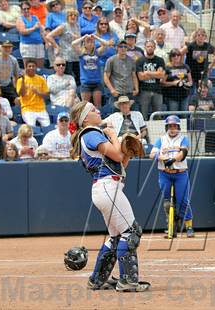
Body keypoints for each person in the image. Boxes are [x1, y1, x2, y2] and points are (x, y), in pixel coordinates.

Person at [69, 101, 150, 292]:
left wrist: (127, 152)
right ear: (85, 118)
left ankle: (97, 279)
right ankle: (127, 281)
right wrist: (114, 135)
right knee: (131, 232)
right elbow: (116, 154)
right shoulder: (90, 133)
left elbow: (120, 163)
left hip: (107, 187)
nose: (98, 111)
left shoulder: (93, 134)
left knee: (116, 237)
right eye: (93, 110)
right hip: (107, 188)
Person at [149, 115, 194, 238]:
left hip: (180, 173)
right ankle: (171, 226)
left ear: (178, 127)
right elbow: (152, 154)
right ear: (166, 127)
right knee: (167, 202)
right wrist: (162, 158)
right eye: (170, 126)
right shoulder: (161, 139)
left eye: (175, 126)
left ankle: (189, 226)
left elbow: (183, 153)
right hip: (165, 174)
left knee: (183, 201)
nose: (172, 129)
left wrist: (172, 160)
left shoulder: (183, 139)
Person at [72, 34, 110, 108]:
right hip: (86, 83)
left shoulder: (97, 52)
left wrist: (95, 37)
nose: (90, 43)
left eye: (92, 42)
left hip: (97, 83)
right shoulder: (81, 53)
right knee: (85, 107)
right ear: (84, 44)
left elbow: (106, 44)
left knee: (98, 106)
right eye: (87, 42)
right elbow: (73, 44)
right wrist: (83, 37)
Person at [46, 8, 81, 85]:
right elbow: (49, 36)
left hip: (76, 56)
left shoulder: (77, 26)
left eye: (75, 15)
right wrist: (56, 46)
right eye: (71, 15)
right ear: (67, 17)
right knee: (68, 78)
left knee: (78, 79)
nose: (73, 17)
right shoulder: (63, 26)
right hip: (66, 56)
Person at [104, 40, 139, 110]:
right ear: (117, 48)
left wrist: (136, 89)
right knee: (115, 115)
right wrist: (112, 90)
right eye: (121, 46)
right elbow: (105, 76)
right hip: (117, 93)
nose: (123, 48)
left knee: (132, 114)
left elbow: (134, 76)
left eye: (125, 47)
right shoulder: (111, 60)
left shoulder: (131, 60)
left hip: (129, 92)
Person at [136, 39, 166, 120]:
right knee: (143, 115)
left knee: (158, 116)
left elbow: (161, 75)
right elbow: (141, 77)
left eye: (152, 46)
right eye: (148, 46)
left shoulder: (160, 60)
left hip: (157, 91)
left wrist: (147, 73)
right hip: (144, 91)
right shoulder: (140, 61)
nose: (150, 48)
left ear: (155, 47)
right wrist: (155, 74)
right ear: (145, 47)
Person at [16, 60, 51, 127]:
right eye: (29, 66)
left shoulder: (41, 79)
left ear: (36, 68)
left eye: (33, 66)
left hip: (41, 109)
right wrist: (23, 80)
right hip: (27, 109)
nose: (31, 68)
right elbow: (21, 94)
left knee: (47, 127)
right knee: (31, 126)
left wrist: (38, 93)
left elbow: (47, 95)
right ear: (26, 68)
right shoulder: (20, 80)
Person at [16, 1, 45, 68]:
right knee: (29, 68)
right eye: (24, 9)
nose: (26, 10)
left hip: (39, 44)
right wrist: (34, 28)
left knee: (39, 68)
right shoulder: (20, 19)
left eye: (28, 8)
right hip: (27, 46)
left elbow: (41, 30)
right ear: (21, 9)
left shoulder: (35, 17)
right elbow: (22, 31)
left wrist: (46, 41)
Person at [0, 41, 20, 106]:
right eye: (5, 47)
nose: (7, 49)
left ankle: (17, 114)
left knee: (18, 100)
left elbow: (16, 75)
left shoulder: (14, 60)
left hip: (7, 85)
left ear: (12, 49)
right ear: (1, 48)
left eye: (9, 47)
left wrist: (15, 88)